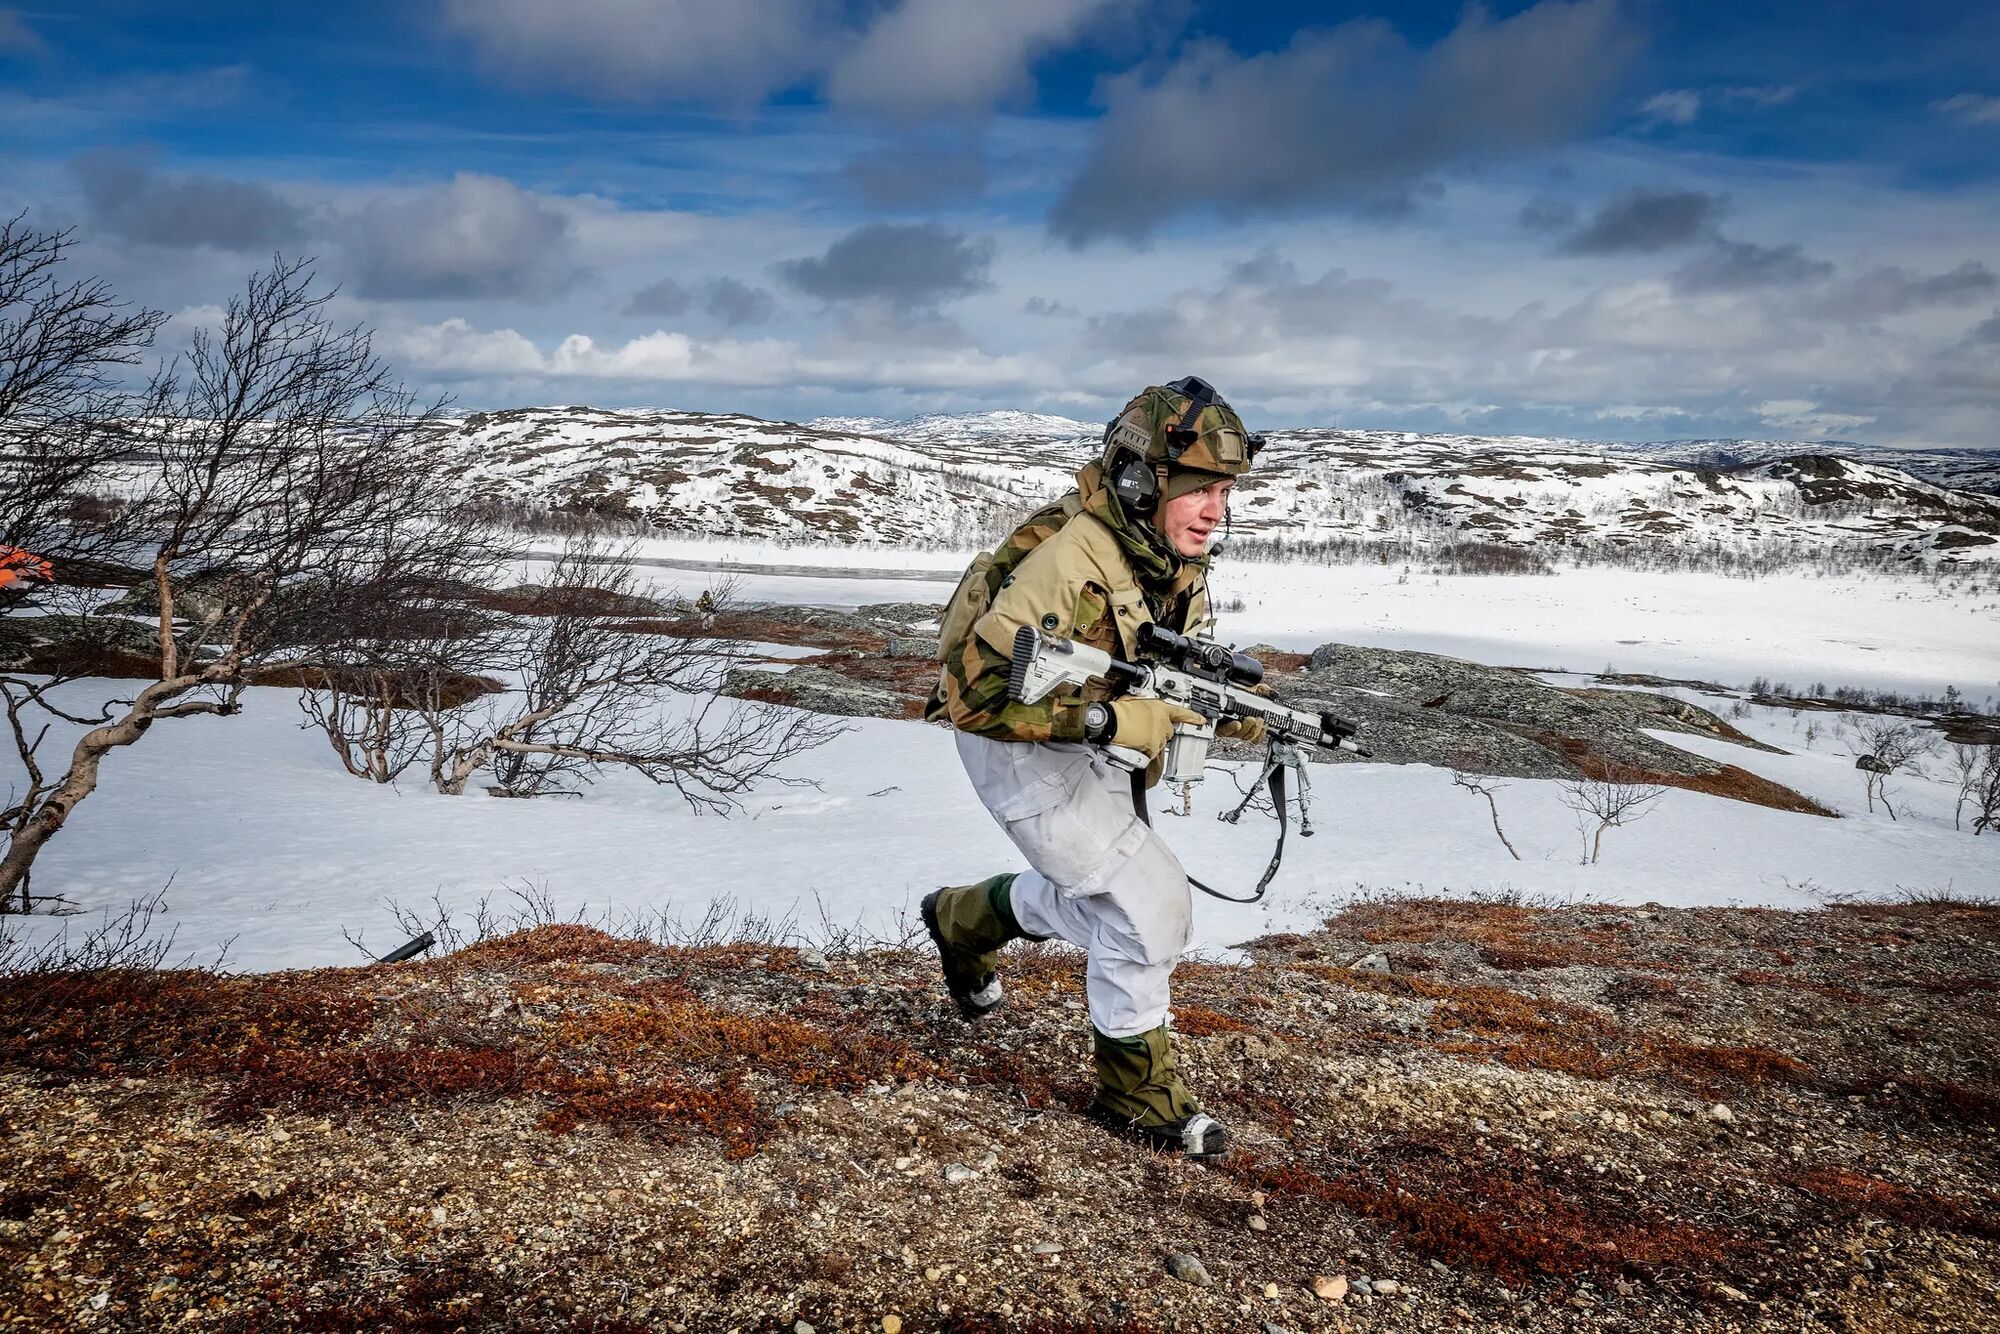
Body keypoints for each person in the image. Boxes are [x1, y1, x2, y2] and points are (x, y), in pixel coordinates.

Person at [921, 376, 1264, 1160]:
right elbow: (973, 695)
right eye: (1199, 489)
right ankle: (1133, 1091)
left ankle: (962, 920)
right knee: (1148, 905)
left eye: (1225, 490)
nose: (1217, 509)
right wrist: (1110, 718)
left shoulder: (1160, 550)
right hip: (1014, 741)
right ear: (1145, 480)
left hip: (1082, 732)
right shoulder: (1068, 560)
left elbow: (1154, 655)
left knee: (1108, 900)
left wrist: (1223, 703)